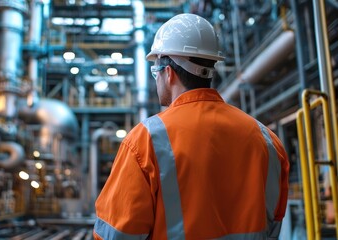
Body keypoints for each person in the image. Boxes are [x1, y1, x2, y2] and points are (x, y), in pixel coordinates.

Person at [93, 13, 289, 239]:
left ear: (168, 73)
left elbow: (116, 235)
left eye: (155, 71)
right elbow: (273, 225)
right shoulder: (267, 140)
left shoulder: (145, 141)